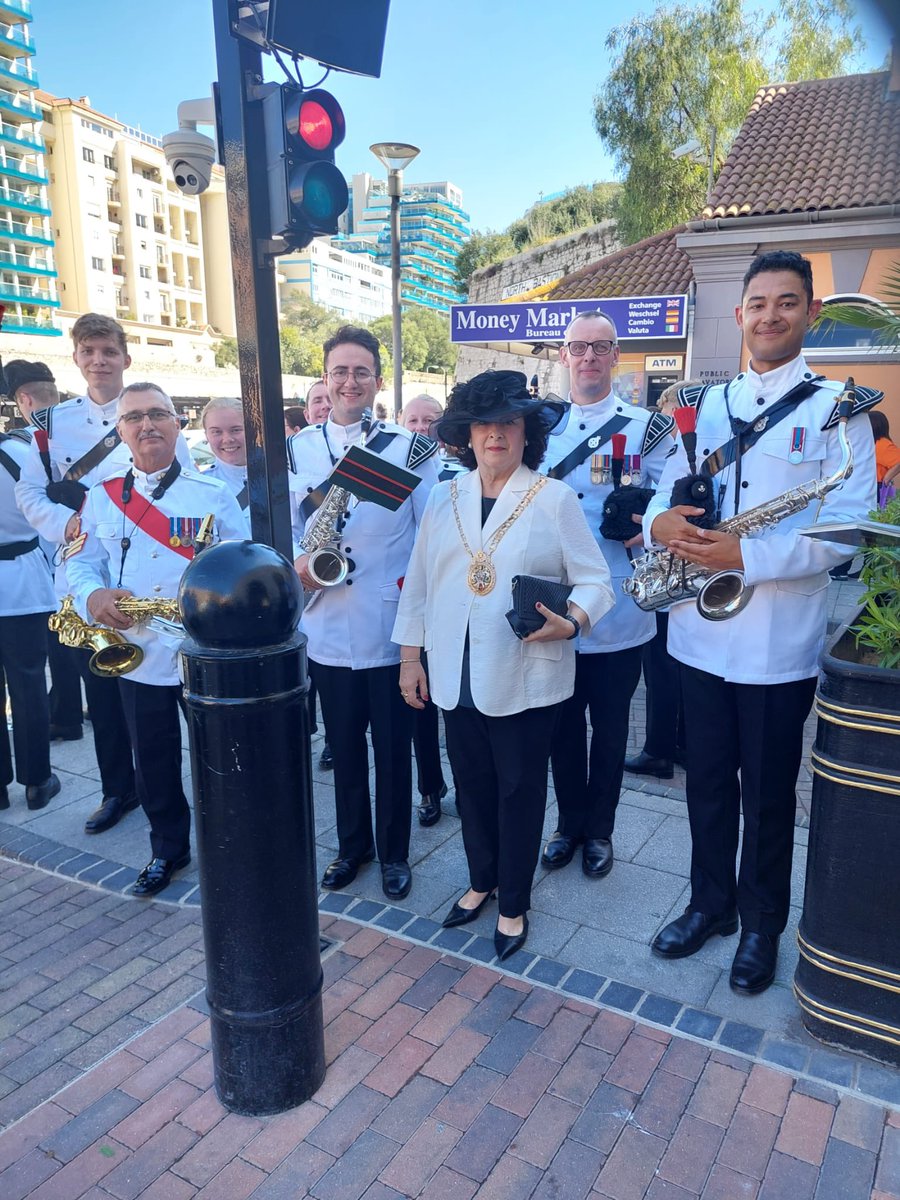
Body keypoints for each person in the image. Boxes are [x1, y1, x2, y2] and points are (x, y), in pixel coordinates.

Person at [645, 250, 879, 994]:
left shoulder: (839, 410)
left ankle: (760, 925)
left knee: (770, 792)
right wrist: (658, 526)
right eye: (758, 303)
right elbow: (658, 491)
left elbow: (847, 530)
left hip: (778, 640)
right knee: (706, 783)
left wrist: (749, 556)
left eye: (787, 302)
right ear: (740, 313)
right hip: (696, 634)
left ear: (811, 313)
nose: (770, 315)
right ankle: (709, 903)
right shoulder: (700, 404)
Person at [394, 371, 614, 960]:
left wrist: (572, 621)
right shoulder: (444, 497)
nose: (496, 434)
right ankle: (480, 879)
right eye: (484, 423)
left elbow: (597, 580)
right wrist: (410, 658)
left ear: (525, 434)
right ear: (467, 434)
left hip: (524, 671)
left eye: (509, 422)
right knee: (471, 787)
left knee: (518, 790)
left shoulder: (554, 499)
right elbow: (419, 583)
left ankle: (513, 900)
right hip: (452, 672)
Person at [65, 383, 246, 896]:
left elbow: (237, 565)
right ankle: (168, 848)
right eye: (134, 417)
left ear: (176, 424)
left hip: (199, 651)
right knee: (152, 761)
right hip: (137, 652)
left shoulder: (211, 495)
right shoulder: (100, 497)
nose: (147, 425)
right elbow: (78, 564)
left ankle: (231, 845)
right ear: (120, 430)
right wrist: (93, 594)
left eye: (158, 415)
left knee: (219, 756)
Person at [289, 326, 439, 900]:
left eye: (361, 372)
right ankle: (353, 847)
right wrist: (300, 562)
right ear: (324, 379)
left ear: (378, 380)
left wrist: (420, 631)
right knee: (344, 747)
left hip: (386, 623)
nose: (350, 381)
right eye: (340, 371)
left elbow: (428, 539)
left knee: (393, 751)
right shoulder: (299, 447)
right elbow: (291, 528)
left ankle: (395, 853)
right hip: (325, 619)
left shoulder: (410, 447)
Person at [540, 310, 674, 879]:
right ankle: (568, 825)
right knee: (562, 728)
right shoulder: (540, 427)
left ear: (616, 356)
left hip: (618, 605)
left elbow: (671, 494)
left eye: (601, 347)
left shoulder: (647, 427)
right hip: (556, 604)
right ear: (565, 356)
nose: (589, 357)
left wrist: (649, 523)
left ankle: (601, 830)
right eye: (578, 348)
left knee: (612, 726)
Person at [4, 359, 85, 744]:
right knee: (50, 658)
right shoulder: (71, 438)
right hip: (47, 564)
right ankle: (66, 717)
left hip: (38, 562)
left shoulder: (25, 445)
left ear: (22, 400)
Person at [624, 380, 695, 779]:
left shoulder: (679, 450)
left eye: (671, 413)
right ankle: (681, 744)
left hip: (666, 577)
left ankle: (658, 750)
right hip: (680, 575)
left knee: (662, 673)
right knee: (676, 671)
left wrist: (648, 528)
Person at [0, 422, 58, 811]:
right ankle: (37, 781)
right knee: (29, 685)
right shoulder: (19, 453)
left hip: (21, 575)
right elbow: (48, 513)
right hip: (21, 581)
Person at [400, 393, 447, 826]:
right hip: (407, 599)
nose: (419, 428)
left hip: (445, 600)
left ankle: (444, 784)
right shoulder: (396, 462)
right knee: (420, 706)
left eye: (428, 420)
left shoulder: (458, 469)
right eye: (411, 420)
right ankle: (429, 787)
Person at [200, 397, 251, 533]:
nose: (227, 439)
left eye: (236, 430)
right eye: (216, 432)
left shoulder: (281, 476)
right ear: (206, 435)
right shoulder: (201, 487)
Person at [871, 410, 900, 494]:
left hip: (876, 486)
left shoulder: (881, 444)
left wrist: (886, 480)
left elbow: (898, 462)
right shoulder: (872, 442)